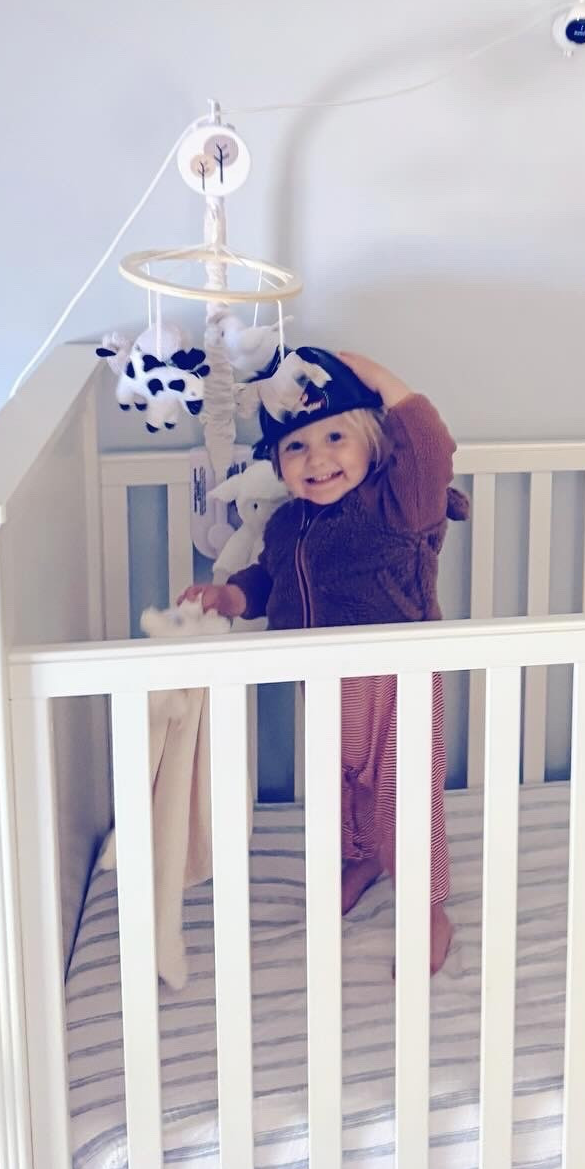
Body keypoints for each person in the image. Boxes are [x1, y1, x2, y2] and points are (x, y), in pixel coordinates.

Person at [185, 347, 464, 971]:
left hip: (398, 680)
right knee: (342, 789)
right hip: (322, 678)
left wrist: (373, 371)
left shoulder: (398, 506)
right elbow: (271, 579)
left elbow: (428, 443)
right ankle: (363, 856)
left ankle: (426, 907)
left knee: (403, 793)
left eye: (336, 437)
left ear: (370, 441)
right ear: (279, 465)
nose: (317, 460)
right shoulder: (288, 525)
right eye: (296, 448)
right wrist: (232, 596)